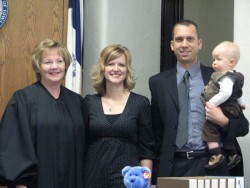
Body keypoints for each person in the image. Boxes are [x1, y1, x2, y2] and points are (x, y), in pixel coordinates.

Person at [148, 20, 249, 185]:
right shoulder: (158, 83)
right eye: (179, 40)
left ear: (199, 43)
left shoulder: (219, 77)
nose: (184, 44)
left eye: (190, 39)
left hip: (213, 163)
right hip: (173, 167)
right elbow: (156, 133)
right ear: (172, 45)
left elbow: (243, 127)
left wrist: (223, 121)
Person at [0, 39, 85, 188]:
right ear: (38, 66)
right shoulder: (23, 100)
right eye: (48, 62)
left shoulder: (76, 102)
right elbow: (14, 148)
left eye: (59, 61)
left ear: (65, 65)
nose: (54, 67)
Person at [83, 44, 155, 187]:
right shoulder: (89, 103)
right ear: (103, 68)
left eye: (121, 65)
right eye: (111, 64)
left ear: (127, 70)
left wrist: (146, 182)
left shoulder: (140, 103)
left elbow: (147, 151)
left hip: (128, 181)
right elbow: (82, 145)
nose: (116, 69)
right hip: (92, 179)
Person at [201, 41, 245, 169]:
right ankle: (232, 154)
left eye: (218, 59)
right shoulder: (236, 76)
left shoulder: (224, 77)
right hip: (233, 108)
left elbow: (226, 92)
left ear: (231, 62)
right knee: (225, 133)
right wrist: (241, 104)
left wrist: (212, 103)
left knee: (209, 127)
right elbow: (238, 92)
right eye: (213, 59)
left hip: (224, 108)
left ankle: (215, 154)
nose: (214, 62)